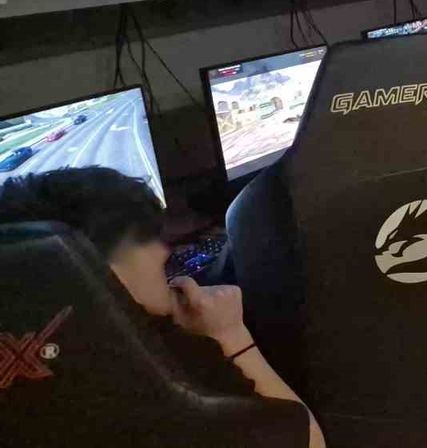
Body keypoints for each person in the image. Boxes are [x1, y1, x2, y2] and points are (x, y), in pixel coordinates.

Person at [0, 167, 326, 448]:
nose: (173, 279)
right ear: (97, 272)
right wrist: (232, 336)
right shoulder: (167, 356)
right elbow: (309, 442)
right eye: (163, 267)